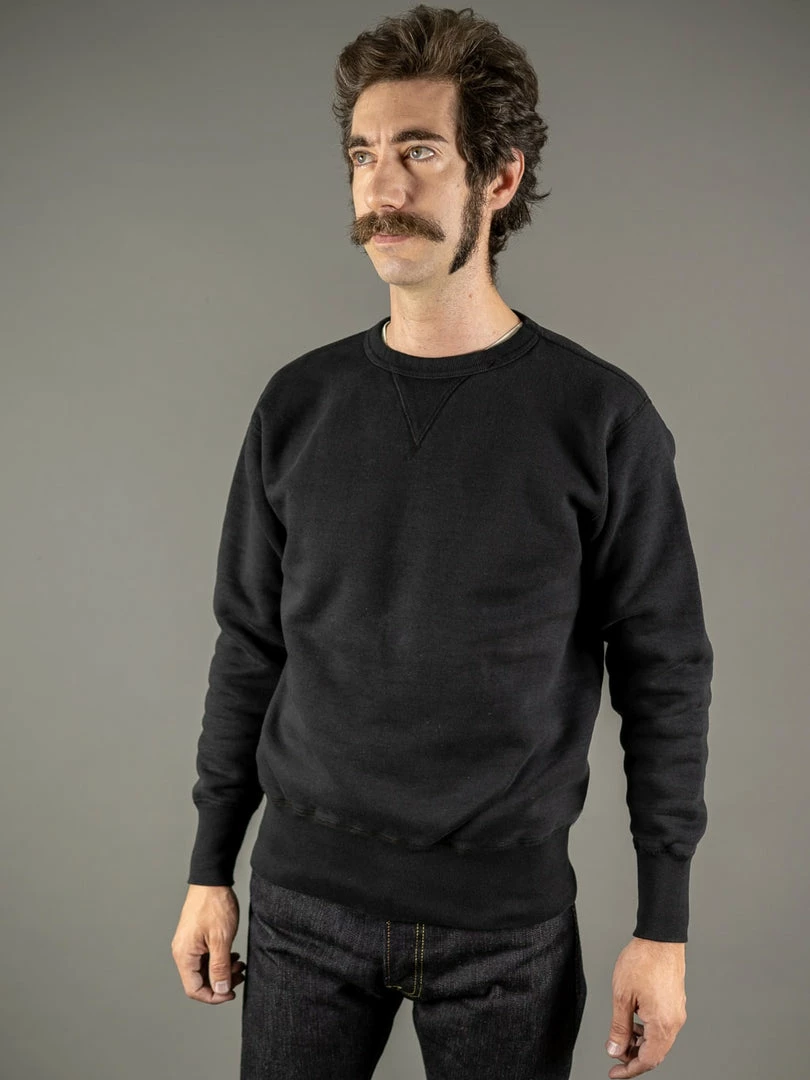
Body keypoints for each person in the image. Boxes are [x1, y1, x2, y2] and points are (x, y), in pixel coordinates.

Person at [170, 6, 713, 1078]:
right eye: (363, 155)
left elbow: (665, 675)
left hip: (505, 934)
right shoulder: (298, 404)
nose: (382, 188)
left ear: (498, 178)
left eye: (419, 153)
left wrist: (664, 927)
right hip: (299, 910)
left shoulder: (600, 419)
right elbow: (249, 647)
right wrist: (208, 867)